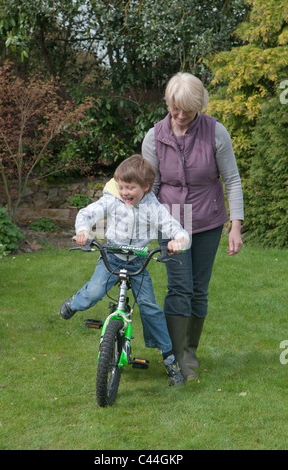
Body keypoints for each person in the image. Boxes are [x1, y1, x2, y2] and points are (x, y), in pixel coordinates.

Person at [142, 72, 244, 381]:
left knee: (198, 290)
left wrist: (235, 226)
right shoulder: (155, 136)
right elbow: (149, 188)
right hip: (171, 222)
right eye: (176, 109)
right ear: (169, 104)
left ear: (199, 105)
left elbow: (232, 180)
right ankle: (175, 359)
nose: (181, 116)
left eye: (188, 109)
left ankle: (189, 353)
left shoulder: (216, 132)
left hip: (207, 220)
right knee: (179, 287)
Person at [60, 154, 190, 386]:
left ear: (146, 187)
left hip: (138, 263)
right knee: (94, 291)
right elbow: (86, 214)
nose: (125, 192)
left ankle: (169, 360)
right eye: (121, 187)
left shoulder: (155, 208)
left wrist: (178, 241)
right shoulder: (112, 201)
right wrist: (82, 230)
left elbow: (177, 229)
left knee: (151, 309)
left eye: (130, 188)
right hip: (113, 257)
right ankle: (74, 303)